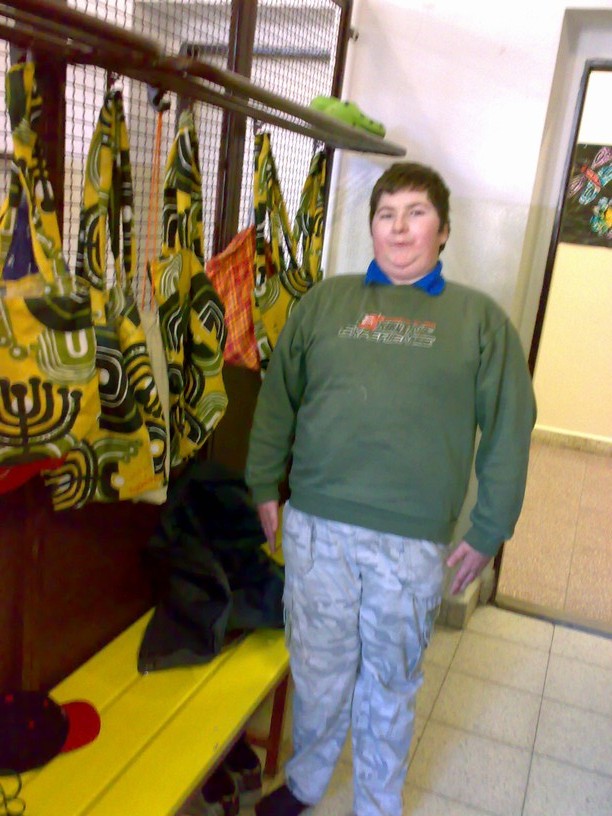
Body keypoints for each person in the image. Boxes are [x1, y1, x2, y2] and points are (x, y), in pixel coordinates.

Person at [245, 162, 536, 816]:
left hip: (409, 545)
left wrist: (491, 526)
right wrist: (263, 480)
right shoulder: (325, 303)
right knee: (317, 670)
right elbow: (278, 400)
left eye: (416, 213)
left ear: (444, 230)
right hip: (318, 531)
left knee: (389, 682)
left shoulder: (479, 321)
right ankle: (305, 783)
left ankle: (377, 803)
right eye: (386, 214)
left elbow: (510, 425)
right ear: (372, 228)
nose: (399, 228)